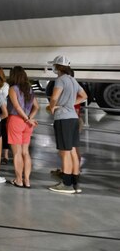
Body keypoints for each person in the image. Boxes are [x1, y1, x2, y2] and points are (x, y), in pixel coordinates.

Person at [47, 54, 87, 194]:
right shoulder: (72, 80)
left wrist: (53, 107)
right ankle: (75, 183)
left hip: (63, 119)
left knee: (65, 152)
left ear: (58, 67)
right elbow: (84, 96)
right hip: (73, 119)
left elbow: (54, 98)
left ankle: (67, 184)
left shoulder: (60, 80)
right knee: (73, 152)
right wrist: (70, 104)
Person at [7, 66, 39, 188]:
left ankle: (19, 180)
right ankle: (28, 181)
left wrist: (26, 118)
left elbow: (17, 107)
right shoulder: (29, 89)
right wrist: (30, 118)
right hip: (27, 124)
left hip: (16, 120)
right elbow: (37, 106)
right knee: (26, 152)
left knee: (17, 153)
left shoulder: (13, 89)